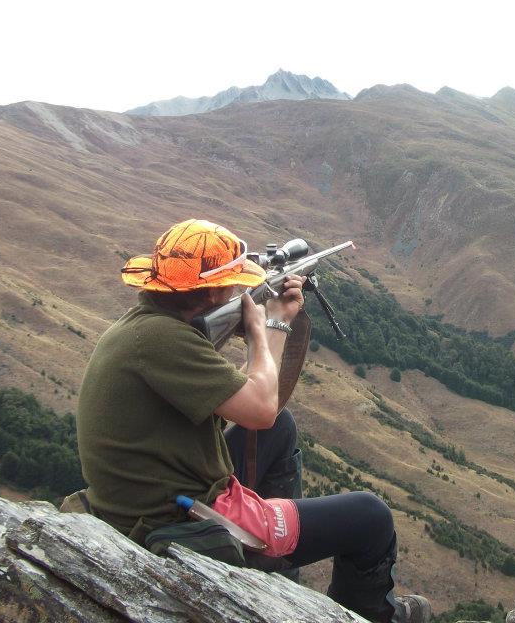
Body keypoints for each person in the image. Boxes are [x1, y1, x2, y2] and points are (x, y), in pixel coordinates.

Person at [76, 219, 430, 623]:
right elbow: (260, 408)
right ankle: (371, 615)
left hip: (148, 493)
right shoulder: (163, 339)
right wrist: (270, 326)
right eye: (231, 286)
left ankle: (276, 566)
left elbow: (258, 410)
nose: (235, 292)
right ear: (212, 293)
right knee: (370, 518)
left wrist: (264, 327)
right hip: (175, 516)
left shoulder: (145, 326)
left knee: (281, 428)